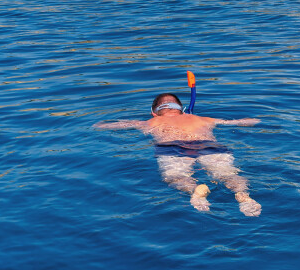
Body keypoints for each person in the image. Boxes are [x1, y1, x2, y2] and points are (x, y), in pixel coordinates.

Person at [95, 93, 262, 216]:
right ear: (181, 110)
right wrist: (254, 120)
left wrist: (99, 124)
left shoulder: (149, 122)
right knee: (228, 174)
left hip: (173, 147)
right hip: (208, 145)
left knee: (176, 177)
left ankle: (195, 190)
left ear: (154, 112)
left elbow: (111, 126)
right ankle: (244, 196)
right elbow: (244, 122)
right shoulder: (203, 119)